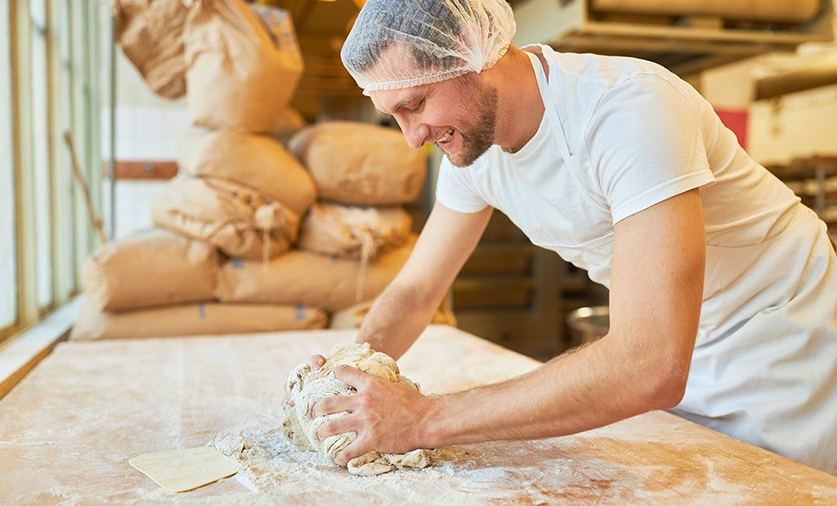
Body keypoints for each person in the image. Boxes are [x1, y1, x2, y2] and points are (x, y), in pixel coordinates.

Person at [298, 0, 837, 474]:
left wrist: (424, 420)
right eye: (393, 115)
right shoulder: (470, 150)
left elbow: (648, 363)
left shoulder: (625, 110)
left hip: (782, 352)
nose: (412, 138)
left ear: (468, 47)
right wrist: (348, 375)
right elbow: (416, 292)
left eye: (415, 104)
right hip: (681, 355)